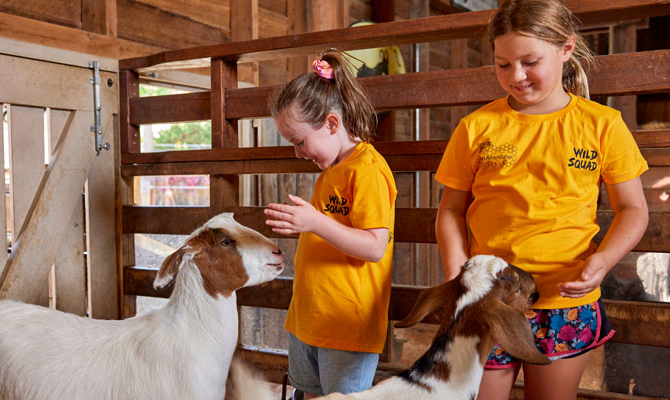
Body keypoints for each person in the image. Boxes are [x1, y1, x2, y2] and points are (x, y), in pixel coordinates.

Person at [433, 1, 649, 399]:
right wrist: (455, 270)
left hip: (565, 300)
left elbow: (633, 210)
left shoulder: (602, 125)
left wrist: (603, 260)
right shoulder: (476, 127)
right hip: (489, 298)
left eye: (530, 62)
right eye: (503, 65)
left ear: (566, 49)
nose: (516, 76)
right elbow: (449, 210)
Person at [264, 50, 397, 399]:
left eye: (299, 141)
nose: (298, 152)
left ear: (332, 124)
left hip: (347, 324)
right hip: (309, 318)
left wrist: (314, 222)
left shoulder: (367, 170)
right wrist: (309, 224)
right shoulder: (330, 171)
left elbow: (373, 246)